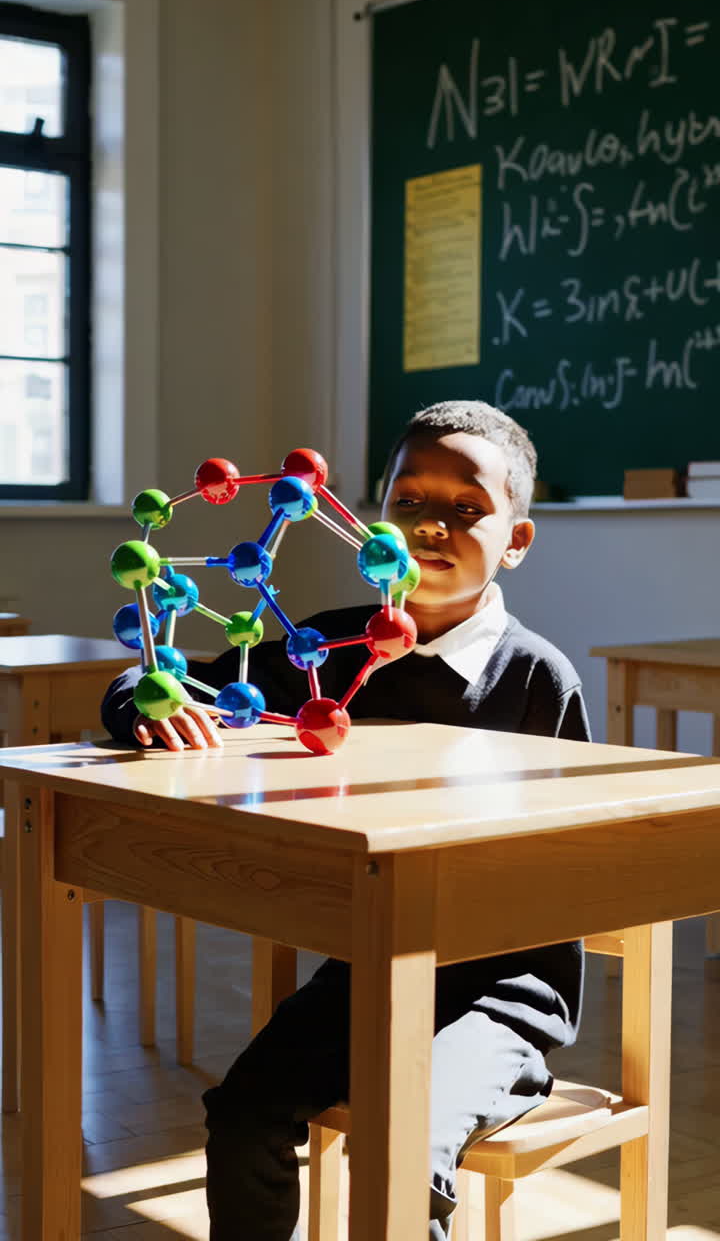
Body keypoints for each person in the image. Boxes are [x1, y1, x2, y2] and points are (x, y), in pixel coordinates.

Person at [102, 399, 590, 1240]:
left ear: (516, 540)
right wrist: (143, 707)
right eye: (409, 504)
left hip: (504, 991)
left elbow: (573, 863)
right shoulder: (320, 646)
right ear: (374, 523)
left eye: (466, 510)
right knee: (244, 1114)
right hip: (372, 966)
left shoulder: (538, 678)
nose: (431, 527)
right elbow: (170, 677)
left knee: (406, 1145)